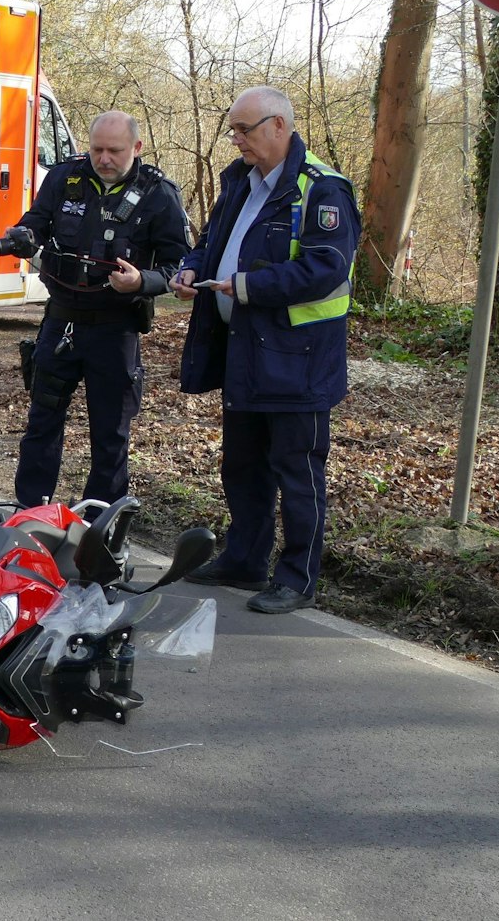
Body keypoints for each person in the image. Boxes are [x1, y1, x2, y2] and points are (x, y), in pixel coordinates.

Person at [169, 86, 360, 615]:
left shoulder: (321, 189)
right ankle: (245, 559)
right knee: (243, 466)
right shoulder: (239, 181)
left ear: (279, 126)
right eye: (232, 129)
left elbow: (325, 269)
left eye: (244, 129)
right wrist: (191, 270)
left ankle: (297, 579)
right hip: (246, 354)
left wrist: (249, 286)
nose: (236, 140)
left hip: (299, 361)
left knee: (297, 473)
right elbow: (212, 243)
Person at [0, 110, 190, 509]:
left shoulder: (159, 195)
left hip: (116, 329)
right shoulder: (64, 179)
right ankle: (32, 511)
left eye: (114, 151)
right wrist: (23, 236)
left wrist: (142, 281)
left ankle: (100, 519)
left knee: (111, 432)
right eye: (97, 149)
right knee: (42, 421)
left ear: (136, 148)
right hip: (61, 322)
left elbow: (181, 266)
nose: (103, 159)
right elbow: (36, 223)